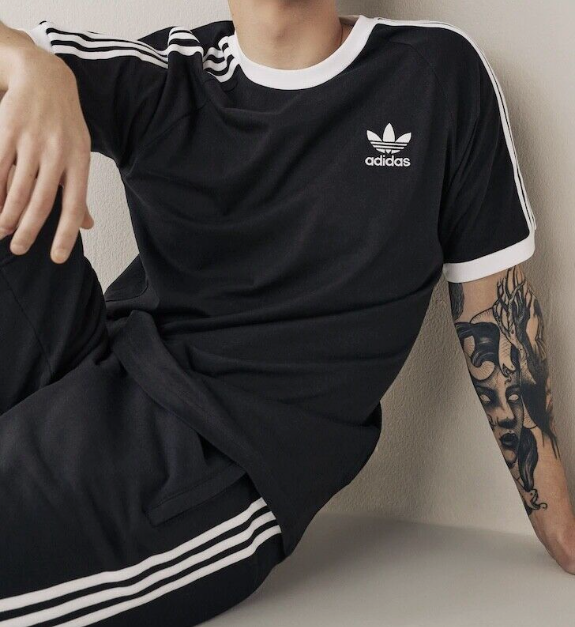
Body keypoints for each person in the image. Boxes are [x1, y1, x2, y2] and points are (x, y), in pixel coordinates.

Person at [0, 1, 573, 625]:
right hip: (94, 366)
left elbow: (494, 309)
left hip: (217, 456)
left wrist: (556, 517)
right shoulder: (174, 70)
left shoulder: (433, 76)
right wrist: (31, 64)